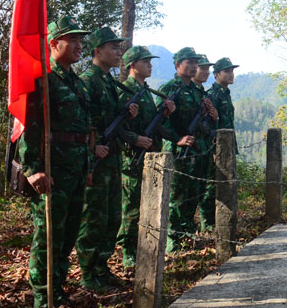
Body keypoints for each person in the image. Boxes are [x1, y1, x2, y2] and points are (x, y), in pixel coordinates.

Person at [18, 16, 93, 308]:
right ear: (53, 44)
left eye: (80, 40)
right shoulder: (43, 79)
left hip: (75, 169)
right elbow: (28, 125)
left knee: (69, 232)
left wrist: (87, 169)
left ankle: (58, 289)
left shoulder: (76, 81)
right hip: (52, 168)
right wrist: (33, 169)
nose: (79, 45)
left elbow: (84, 130)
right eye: (72, 40)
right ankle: (43, 297)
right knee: (48, 234)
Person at [77, 27, 141, 293]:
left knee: (112, 217)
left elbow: (112, 121)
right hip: (96, 161)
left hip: (112, 158)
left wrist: (128, 114)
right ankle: (88, 273)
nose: (118, 53)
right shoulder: (87, 81)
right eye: (113, 48)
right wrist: (93, 148)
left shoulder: (108, 82)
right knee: (93, 217)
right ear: (97, 51)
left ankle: (102, 267)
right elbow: (83, 123)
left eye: (119, 48)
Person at [116, 46, 176, 267]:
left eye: (150, 62)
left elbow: (152, 124)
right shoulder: (125, 90)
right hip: (132, 157)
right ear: (133, 65)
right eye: (145, 61)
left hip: (150, 156)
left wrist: (166, 114)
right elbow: (116, 126)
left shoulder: (147, 92)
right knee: (132, 207)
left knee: (150, 203)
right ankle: (129, 252)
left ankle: (147, 246)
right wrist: (134, 139)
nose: (150, 65)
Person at [158, 47, 216, 252]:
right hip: (177, 151)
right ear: (177, 65)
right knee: (176, 196)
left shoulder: (197, 91)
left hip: (196, 151)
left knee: (193, 194)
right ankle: (172, 241)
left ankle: (186, 234)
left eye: (195, 63)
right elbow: (159, 122)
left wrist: (212, 115)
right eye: (189, 62)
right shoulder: (169, 88)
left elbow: (205, 121)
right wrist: (177, 139)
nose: (193, 66)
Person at [201, 57, 240, 226]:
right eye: (227, 71)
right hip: (217, 147)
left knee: (227, 183)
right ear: (216, 75)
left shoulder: (225, 93)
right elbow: (208, 124)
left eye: (232, 71)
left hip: (228, 145)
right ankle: (208, 222)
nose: (231, 74)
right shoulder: (213, 95)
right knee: (212, 185)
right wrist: (214, 149)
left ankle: (222, 220)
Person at [193, 54, 216, 231]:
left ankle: (197, 229)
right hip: (188, 149)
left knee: (199, 189)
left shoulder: (202, 94)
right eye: (203, 68)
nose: (205, 72)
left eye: (208, 68)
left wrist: (214, 117)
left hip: (204, 147)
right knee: (183, 194)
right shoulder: (180, 89)